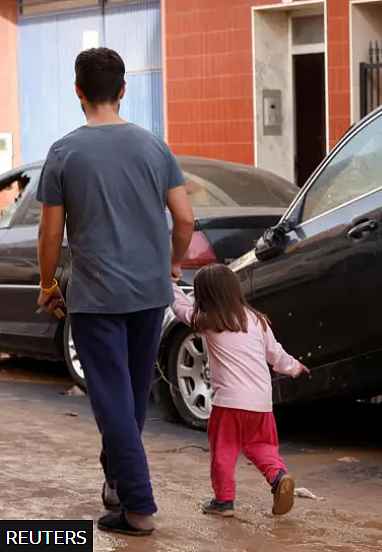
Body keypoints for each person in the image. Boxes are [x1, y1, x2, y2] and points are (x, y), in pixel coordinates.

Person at [36, 47, 196, 536]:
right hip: (150, 294)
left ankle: (140, 508)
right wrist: (170, 265)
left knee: (111, 401)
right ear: (123, 91)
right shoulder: (155, 147)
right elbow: (186, 219)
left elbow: (50, 233)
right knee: (126, 399)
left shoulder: (64, 153)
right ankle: (116, 485)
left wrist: (47, 284)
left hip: (96, 296)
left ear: (78, 93)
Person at [169, 264, 309, 517]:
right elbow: (275, 354)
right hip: (261, 403)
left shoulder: (208, 321)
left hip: (229, 404)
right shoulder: (257, 320)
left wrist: (170, 284)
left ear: (204, 296)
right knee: (261, 446)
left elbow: (179, 307)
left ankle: (223, 502)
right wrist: (294, 366)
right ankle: (279, 477)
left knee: (224, 451)